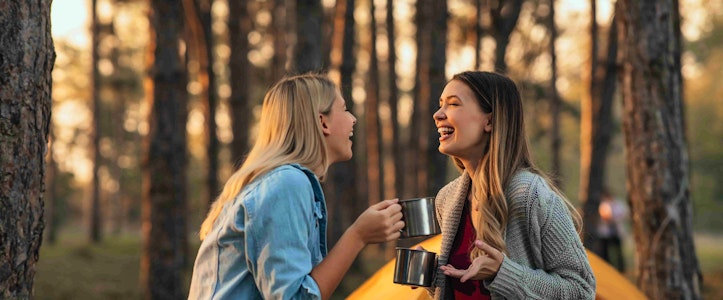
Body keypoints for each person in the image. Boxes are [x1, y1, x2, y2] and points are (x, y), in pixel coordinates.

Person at [188, 73, 405, 299]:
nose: (353, 119)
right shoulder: (287, 184)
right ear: (323, 122)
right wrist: (358, 236)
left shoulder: (275, 182)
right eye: (345, 109)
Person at [428, 71, 596, 299]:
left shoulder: (530, 196)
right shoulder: (446, 199)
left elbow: (582, 290)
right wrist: (433, 276)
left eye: (453, 104)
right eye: (440, 105)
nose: (438, 115)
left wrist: (503, 273)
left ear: (490, 120)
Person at [597, 188, 627, 272]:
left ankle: (621, 269)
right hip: (605, 233)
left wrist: (614, 219)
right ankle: (607, 268)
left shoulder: (618, 204)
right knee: (605, 252)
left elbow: (623, 215)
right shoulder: (603, 204)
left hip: (616, 232)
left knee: (618, 251)